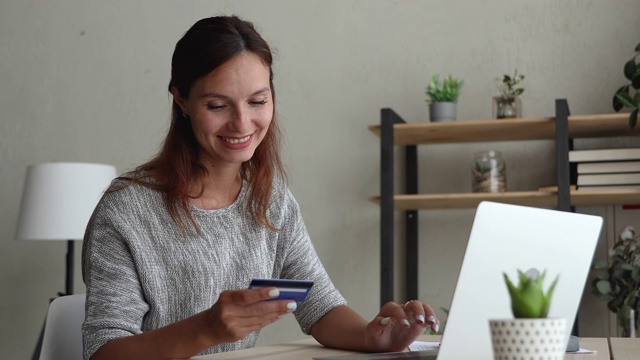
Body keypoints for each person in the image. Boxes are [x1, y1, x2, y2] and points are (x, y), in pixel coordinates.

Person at [81, 15, 439, 360]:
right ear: (181, 100)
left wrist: (372, 337)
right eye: (217, 105)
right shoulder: (127, 210)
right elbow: (104, 351)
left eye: (257, 101)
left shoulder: (271, 200)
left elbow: (319, 305)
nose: (241, 123)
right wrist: (207, 328)